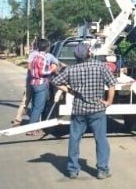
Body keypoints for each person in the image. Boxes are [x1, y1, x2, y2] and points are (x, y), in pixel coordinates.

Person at [52, 43, 117, 180]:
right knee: (101, 140)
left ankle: (73, 170)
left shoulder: (71, 69)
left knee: (74, 140)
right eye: (89, 50)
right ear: (88, 54)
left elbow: (55, 82)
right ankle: (102, 170)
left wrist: (70, 91)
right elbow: (112, 84)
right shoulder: (100, 66)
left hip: (79, 110)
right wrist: (109, 101)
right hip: (97, 109)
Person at [25, 39, 56, 136]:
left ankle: (35, 127)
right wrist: (52, 69)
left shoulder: (35, 57)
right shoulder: (42, 58)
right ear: (47, 47)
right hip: (40, 84)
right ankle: (31, 129)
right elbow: (43, 72)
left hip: (34, 83)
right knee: (39, 107)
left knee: (35, 106)